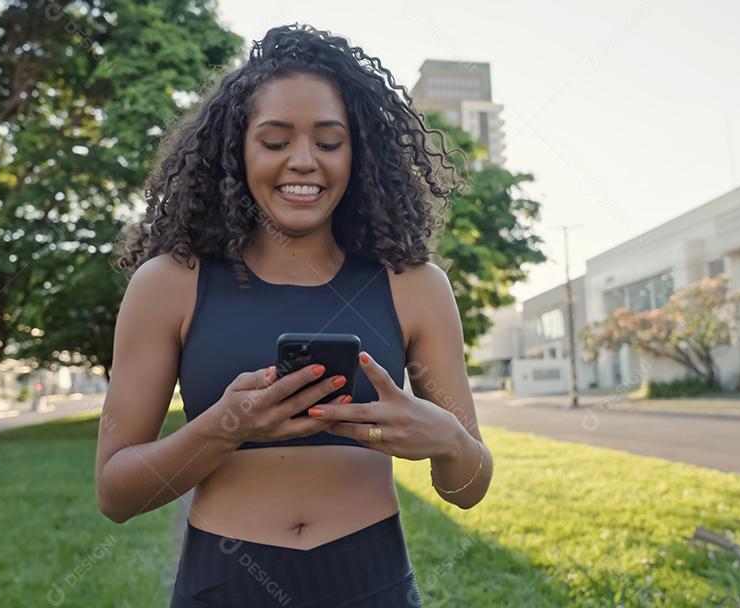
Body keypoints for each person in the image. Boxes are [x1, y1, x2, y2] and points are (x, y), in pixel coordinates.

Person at [96, 23, 493, 607]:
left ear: (358, 155)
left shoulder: (416, 286)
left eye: (329, 142)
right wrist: (226, 427)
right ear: (238, 150)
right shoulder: (170, 283)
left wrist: (448, 440)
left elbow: (469, 487)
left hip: (373, 584)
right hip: (222, 588)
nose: (303, 162)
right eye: (276, 141)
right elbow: (115, 493)